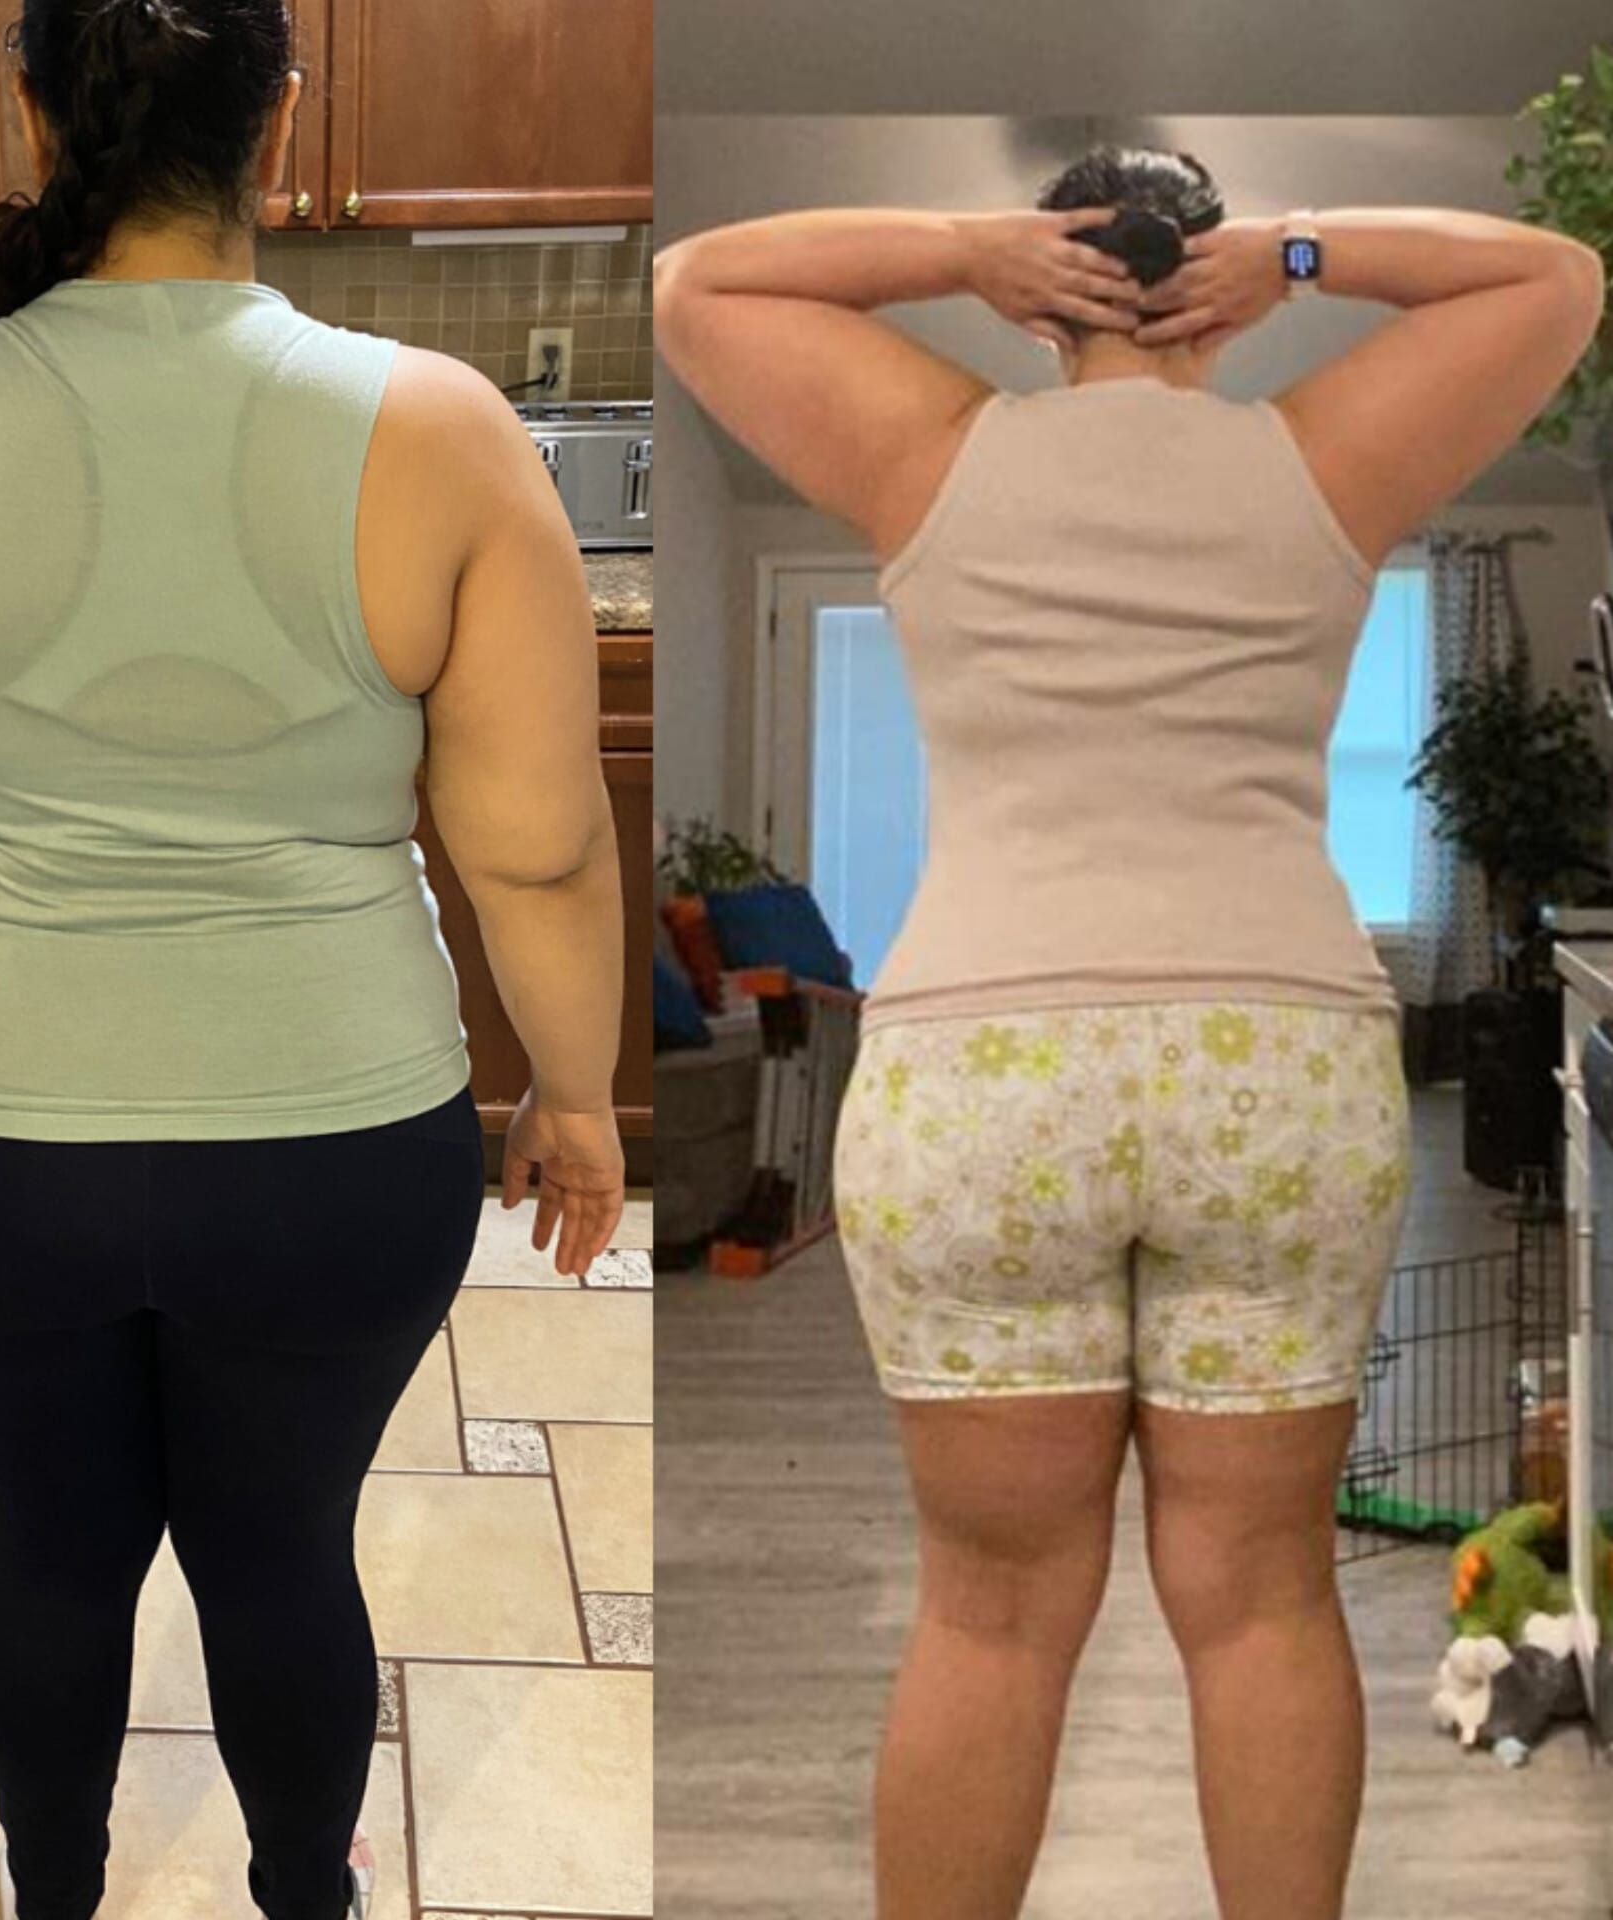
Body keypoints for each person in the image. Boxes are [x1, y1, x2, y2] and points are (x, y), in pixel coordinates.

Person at [0, 3, 626, 1918]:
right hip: (338, 1150)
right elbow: (537, 850)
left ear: (41, 110)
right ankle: (306, 1887)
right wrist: (570, 1093)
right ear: (281, 123)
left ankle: (53, 1889)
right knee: (283, 1546)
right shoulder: (446, 433)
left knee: (50, 1545)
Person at [652, 144, 1603, 1920]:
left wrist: (957, 250)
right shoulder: (1317, 453)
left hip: (983, 1079)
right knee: (1259, 1597)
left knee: (990, 1612)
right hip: (1276, 1069)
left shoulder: (938, 445)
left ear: (1053, 275)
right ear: (1209, 274)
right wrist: (1303, 257)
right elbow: (1554, 279)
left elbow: (699, 282)